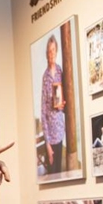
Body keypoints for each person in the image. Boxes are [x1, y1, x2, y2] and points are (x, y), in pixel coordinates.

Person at [41, 34, 66, 175]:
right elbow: (43, 110)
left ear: (56, 52)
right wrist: (47, 144)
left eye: (53, 50)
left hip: (60, 131)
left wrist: (62, 104)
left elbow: (63, 97)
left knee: (59, 173)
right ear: (46, 54)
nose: (51, 53)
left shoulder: (60, 71)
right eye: (49, 51)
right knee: (52, 173)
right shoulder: (45, 77)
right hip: (50, 136)